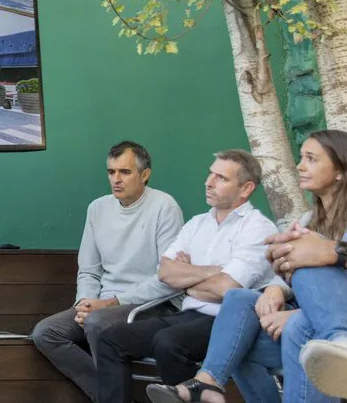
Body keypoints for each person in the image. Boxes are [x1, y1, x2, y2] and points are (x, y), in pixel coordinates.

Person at [144, 129, 347, 403]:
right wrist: (275, 289)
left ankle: (345, 342)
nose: (300, 165)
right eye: (301, 157)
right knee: (239, 313)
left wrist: (332, 251)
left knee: (299, 319)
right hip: (317, 314)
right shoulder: (308, 220)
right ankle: (208, 382)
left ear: (341, 170)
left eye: (311, 159)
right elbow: (297, 277)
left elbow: (331, 267)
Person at [94, 149, 277, 403]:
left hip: (226, 322)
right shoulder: (197, 224)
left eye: (221, 178)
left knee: (168, 343)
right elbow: (166, 272)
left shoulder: (258, 228)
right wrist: (213, 271)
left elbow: (227, 289)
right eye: (210, 174)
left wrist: (189, 280)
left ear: (246, 189)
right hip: (187, 314)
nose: (208, 182)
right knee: (110, 340)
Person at [31, 141, 184, 402]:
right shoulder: (97, 208)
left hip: (153, 305)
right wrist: (84, 303)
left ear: (144, 175)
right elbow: (89, 271)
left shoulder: (164, 207)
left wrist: (110, 303)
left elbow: (167, 279)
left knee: (97, 322)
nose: (116, 179)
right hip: (103, 303)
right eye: (111, 172)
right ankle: (115, 397)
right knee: (46, 333)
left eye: (125, 172)